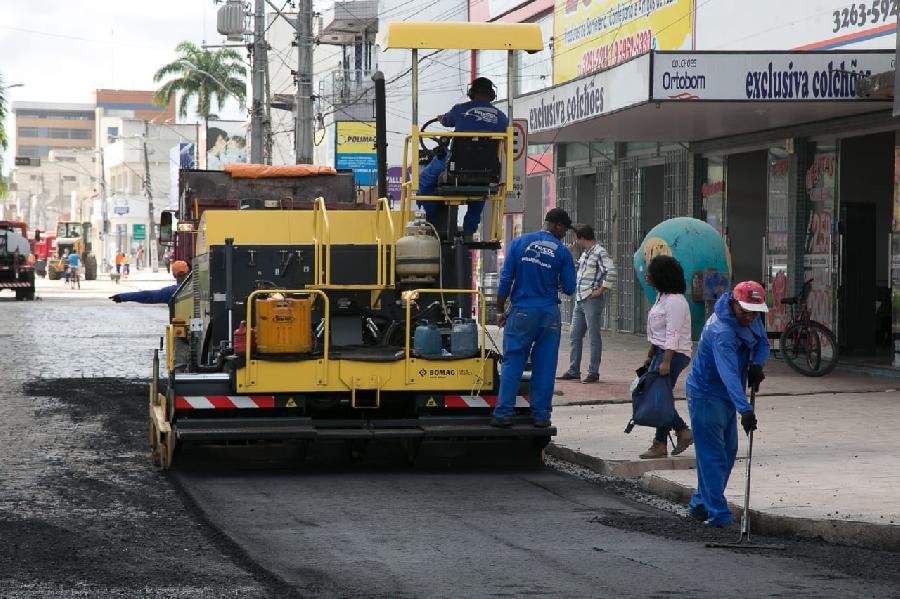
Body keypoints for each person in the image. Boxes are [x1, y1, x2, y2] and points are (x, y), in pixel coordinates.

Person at [685, 280, 769, 527]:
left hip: (727, 395)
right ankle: (718, 514)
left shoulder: (751, 317)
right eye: (745, 311)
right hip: (706, 393)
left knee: (728, 450)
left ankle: (701, 502)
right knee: (713, 455)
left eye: (755, 312)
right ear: (733, 303)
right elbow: (728, 372)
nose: (750, 317)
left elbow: (762, 343)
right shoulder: (721, 332)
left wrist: (757, 364)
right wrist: (744, 409)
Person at [491, 208, 577, 428]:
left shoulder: (519, 243)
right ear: (557, 225)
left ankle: (503, 414)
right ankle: (541, 416)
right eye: (564, 229)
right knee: (545, 366)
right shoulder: (562, 252)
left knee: (513, 362)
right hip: (549, 315)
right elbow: (569, 288)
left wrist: (500, 311)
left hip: (521, 312)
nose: (564, 234)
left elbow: (506, 279)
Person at [417, 77, 509, 239]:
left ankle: (432, 221)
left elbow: (447, 121)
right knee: (480, 190)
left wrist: (441, 118)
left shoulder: (460, 109)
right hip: (487, 168)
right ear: (492, 94)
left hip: (455, 164)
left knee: (424, 180)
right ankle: (468, 232)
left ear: (471, 93)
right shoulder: (502, 117)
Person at [638, 255, 693, 459]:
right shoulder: (661, 297)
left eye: (650, 272)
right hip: (661, 352)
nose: (647, 275)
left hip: (674, 353)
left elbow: (673, 333)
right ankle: (668, 439)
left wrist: (666, 361)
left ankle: (674, 435)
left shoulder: (676, 302)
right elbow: (658, 331)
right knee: (659, 396)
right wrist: (651, 355)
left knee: (658, 397)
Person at [557, 224, 616, 384]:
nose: (577, 242)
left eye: (578, 239)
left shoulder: (599, 252)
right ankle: (574, 370)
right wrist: (571, 255)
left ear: (582, 238)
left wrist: (601, 290)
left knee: (593, 336)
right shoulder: (585, 254)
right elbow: (579, 271)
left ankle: (593, 371)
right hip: (580, 298)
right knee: (575, 335)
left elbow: (611, 271)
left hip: (591, 299)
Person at [109, 260, 190, 304]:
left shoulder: (172, 292)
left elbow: (147, 296)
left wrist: (122, 297)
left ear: (174, 275)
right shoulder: (197, 287)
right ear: (188, 272)